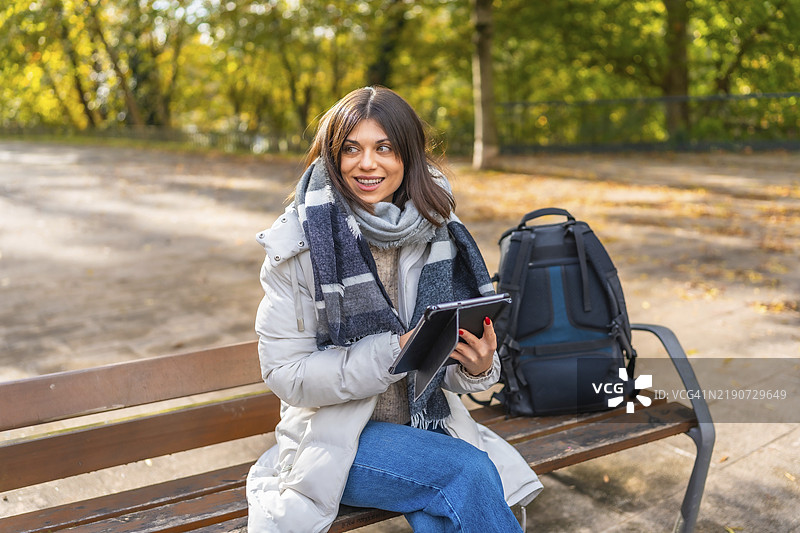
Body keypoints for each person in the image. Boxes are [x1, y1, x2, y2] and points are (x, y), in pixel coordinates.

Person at [246, 86, 542, 533]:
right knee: (465, 472)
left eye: (384, 147)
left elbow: (446, 370)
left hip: (426, 425)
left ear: (408, 156)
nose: (368, 164)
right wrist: (392, 353)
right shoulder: (298, 247)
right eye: (352, 149)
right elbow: (286, 374)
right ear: (331, 156)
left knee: (447, 502)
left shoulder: (438, 230)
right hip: (336, 437)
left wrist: (478, 366)